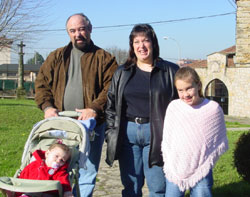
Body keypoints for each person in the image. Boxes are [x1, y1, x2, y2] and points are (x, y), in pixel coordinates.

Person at [34, 13, 118, 197]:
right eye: (73, 30)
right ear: (68, 33)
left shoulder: (105, 58)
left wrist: (94, 109)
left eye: (81, 29)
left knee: (87, 171)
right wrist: (47, 106)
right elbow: (41, 84)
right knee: (57, 166)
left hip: (91, 126)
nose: (77, 34)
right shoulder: (56, 57)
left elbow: (111, 89)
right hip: (60, 124)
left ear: (89, 29)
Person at [105, 23, 179, 197]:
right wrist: (110, 132)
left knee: (157, 187)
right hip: (128, 134)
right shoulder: (122, 72)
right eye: (136, 42)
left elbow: (180, 105)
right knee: (131, 186)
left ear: (153, 43)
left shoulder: (170, 71)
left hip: (157, 134)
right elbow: (111, 105)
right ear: (132, 46)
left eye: (145, 41)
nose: (141, 46)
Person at [161, 66, 228, 197]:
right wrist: (169, 160)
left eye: (189, 88)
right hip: (175, 166)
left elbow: (217, 140)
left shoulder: (212, 109)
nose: (185, 94)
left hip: (202, 167)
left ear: (198, 85)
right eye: (180, 90)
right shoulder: (174, 107)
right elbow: (168, 138)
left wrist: (206, 160)